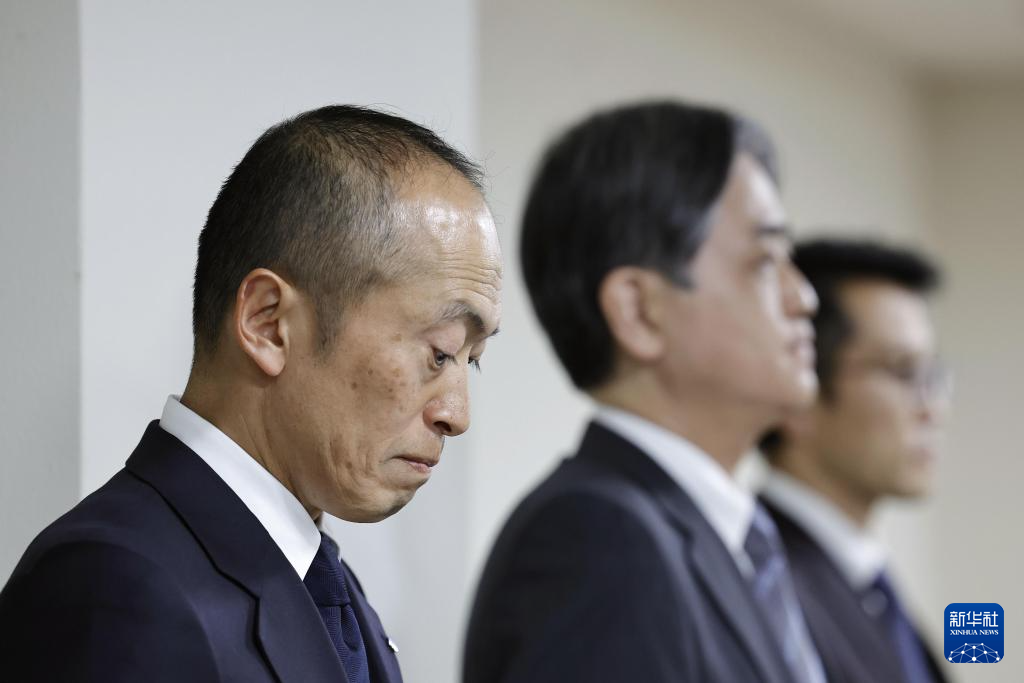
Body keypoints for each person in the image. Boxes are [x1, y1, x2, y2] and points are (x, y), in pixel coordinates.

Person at [0, 105, 502, 683]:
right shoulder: (116, 587)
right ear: (268, 324)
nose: (457, 415)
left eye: (472, 361)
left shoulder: (327, 588)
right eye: (439, 352)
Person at [463, 101, 823, 683]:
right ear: (638, 310)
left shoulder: (720, 537)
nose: (804, 297)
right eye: (764, 261)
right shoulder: (596, 542)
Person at [758, 238, 949, 683]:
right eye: (903, 371)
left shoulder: (868, 582)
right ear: (800, 389)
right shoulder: (760, 580)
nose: (933, 409)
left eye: (933, 375)